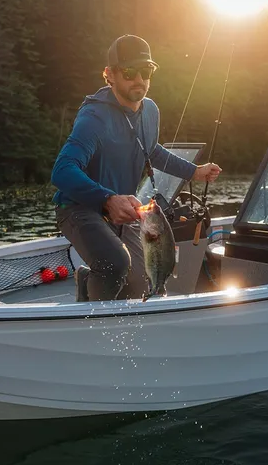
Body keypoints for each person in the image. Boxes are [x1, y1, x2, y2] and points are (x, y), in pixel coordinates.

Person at [51, 34, 222, 302]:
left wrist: (194, 171)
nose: (139, 79)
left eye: (146, 71)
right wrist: (107, 199)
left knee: (144, 280)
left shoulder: (150, 110)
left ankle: (89, 279)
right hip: (79, 207)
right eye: (130, 72)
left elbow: (151, 150)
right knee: (116, 263)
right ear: (110, 74)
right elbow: (62, 170)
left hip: (121, 212)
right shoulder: (94, 117)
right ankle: (93, 324)